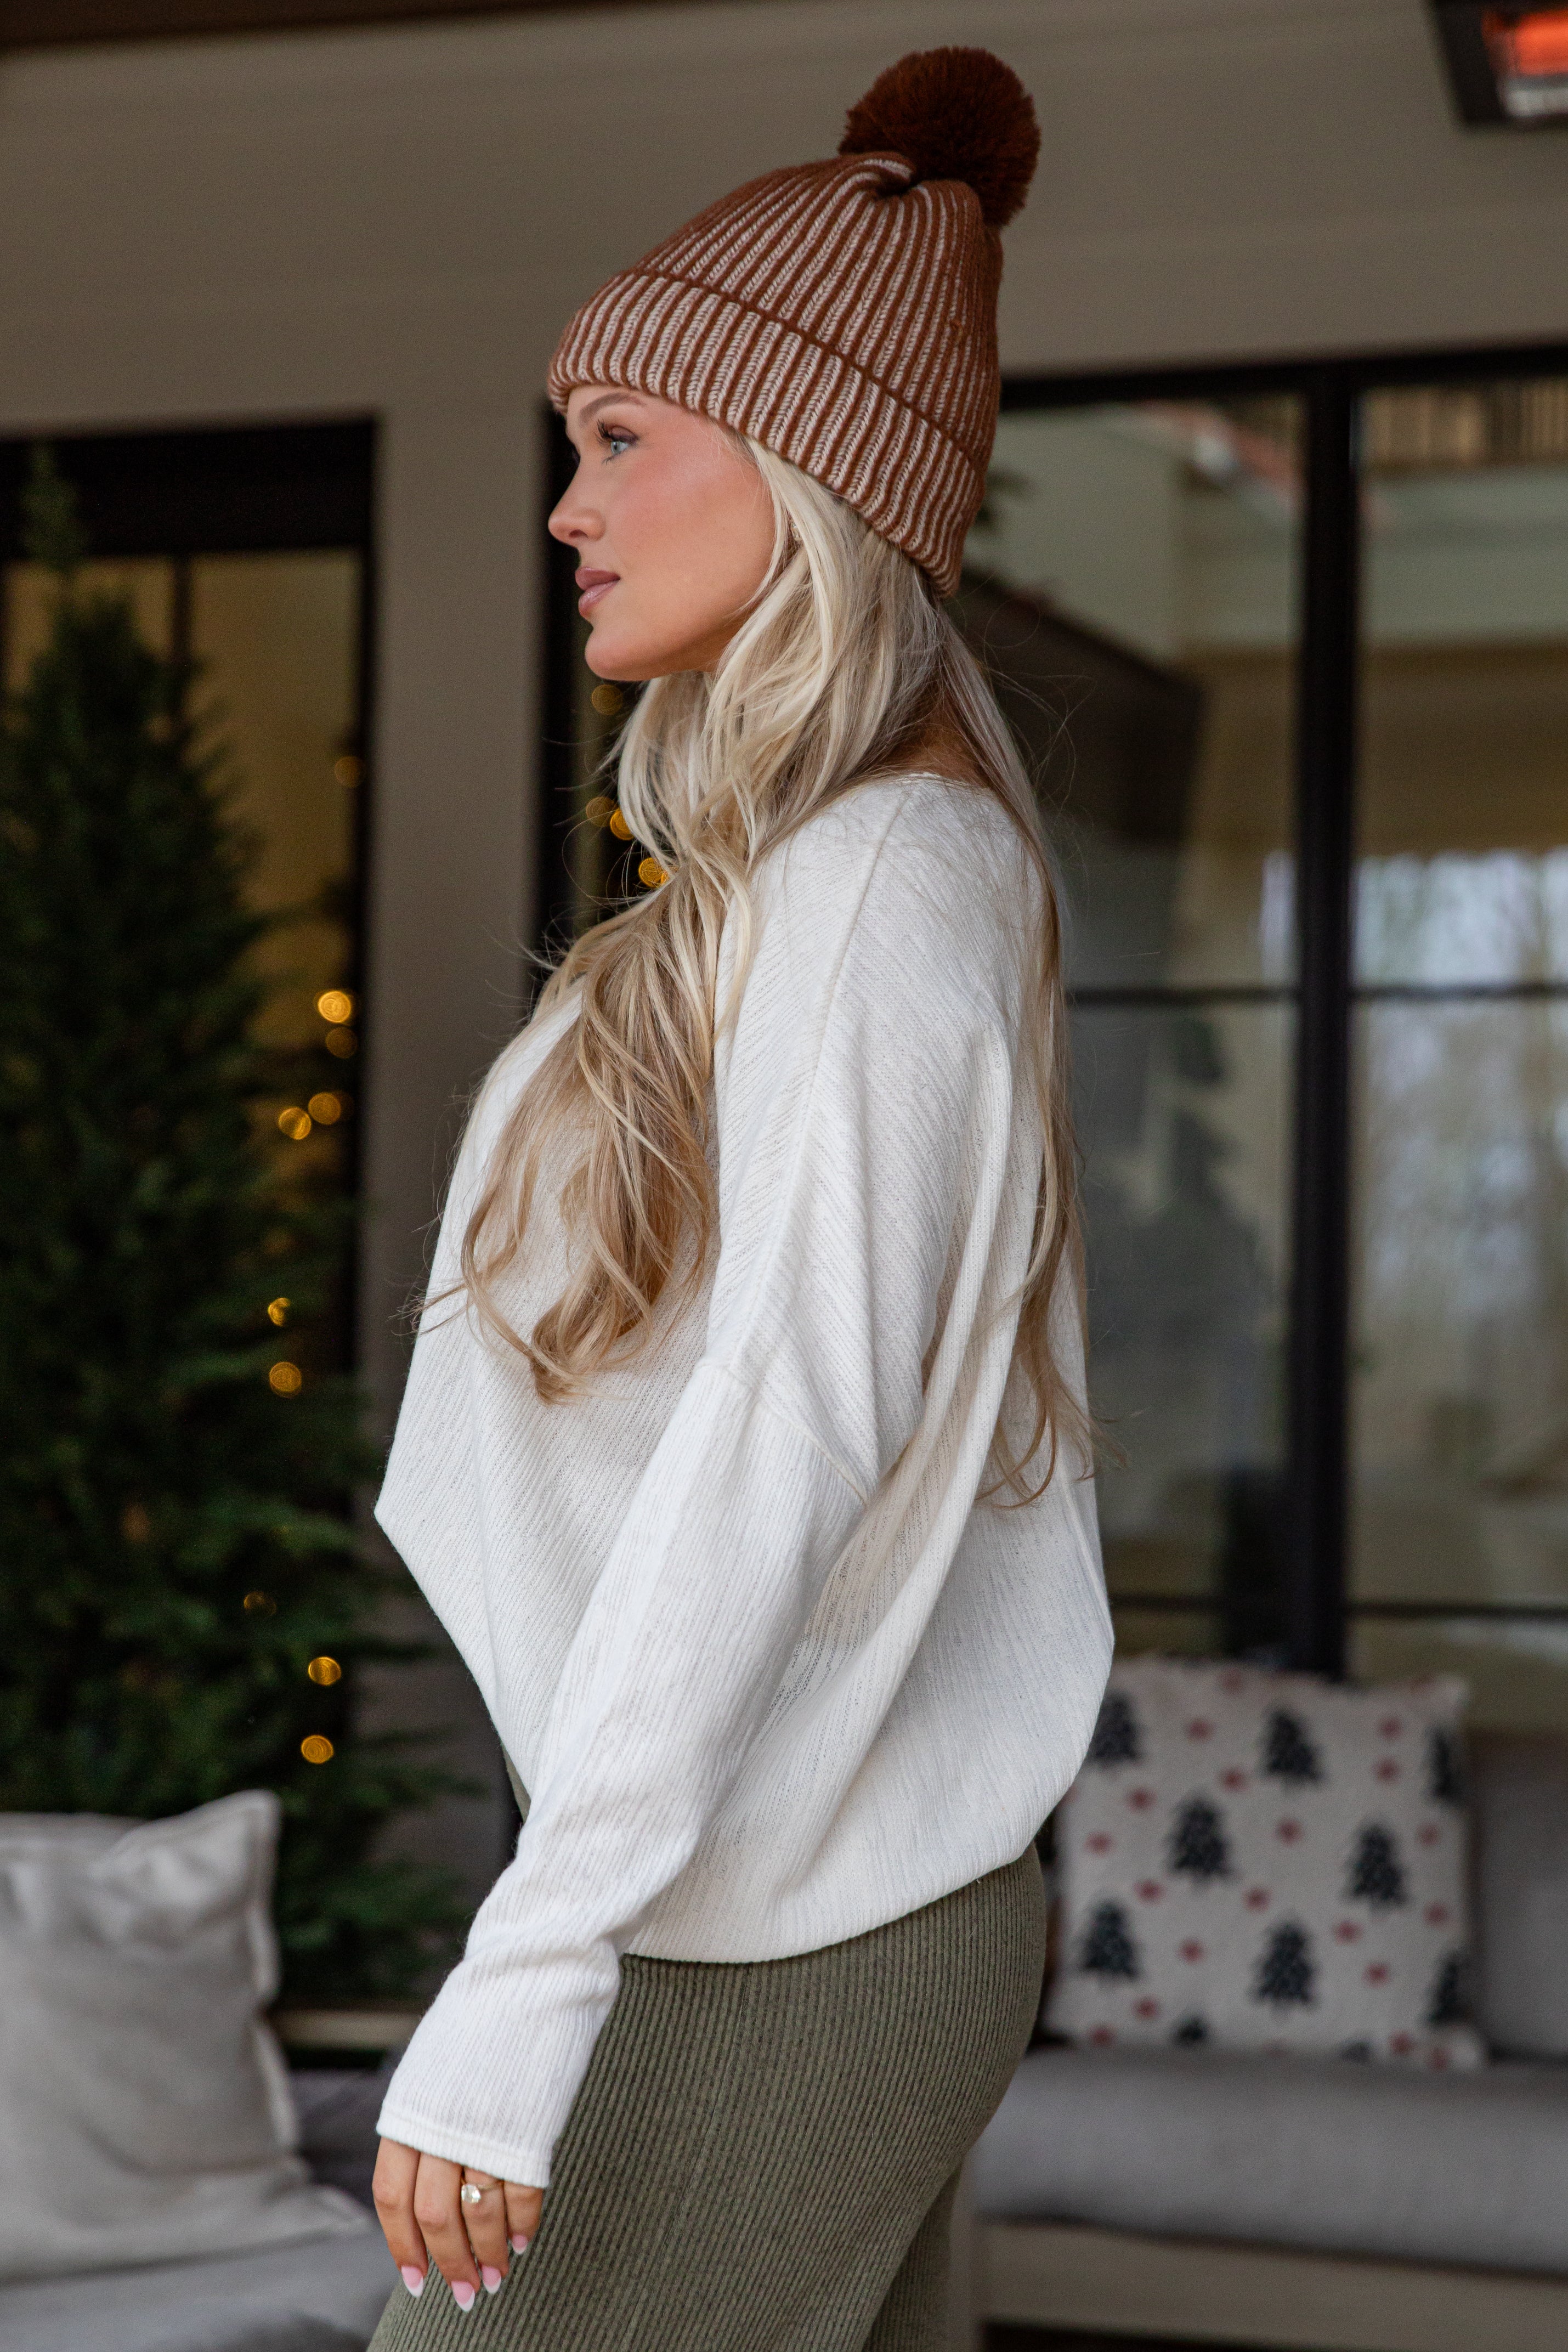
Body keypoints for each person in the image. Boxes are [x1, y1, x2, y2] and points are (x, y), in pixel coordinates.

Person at [365, 46, 1112, 2352]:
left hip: (771, 1929)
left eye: (621, 440)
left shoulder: (887, 877)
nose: (566, 506)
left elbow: (780, 1429)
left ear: (802, 475)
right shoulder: (808, 880)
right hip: (771, 1897)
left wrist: (525, 1974)